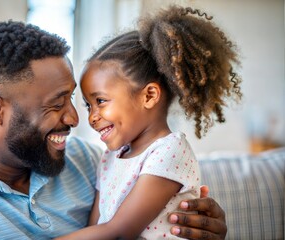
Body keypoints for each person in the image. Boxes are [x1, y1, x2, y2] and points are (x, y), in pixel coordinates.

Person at [0, 20, 228, 239]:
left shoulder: (85, 158)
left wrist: (199, 227)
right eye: (56, 103)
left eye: (76, 100)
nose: (77, 119)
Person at [55, 5, 241, 240]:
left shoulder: (169, 151)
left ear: (149, 96)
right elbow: (97, 226)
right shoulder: (110, 156)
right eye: (88, 105)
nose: (91, 117)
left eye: (100, 101)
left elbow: (119, 232)